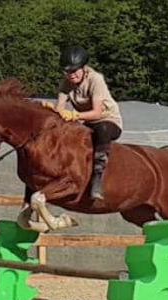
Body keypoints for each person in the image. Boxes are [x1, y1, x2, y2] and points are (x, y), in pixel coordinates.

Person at [44, 46, 123, 200]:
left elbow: (97, 112)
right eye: (67, 72)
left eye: (74, 71)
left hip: (107, 120)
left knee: (103, 128)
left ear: (84, 68)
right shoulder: (66, 83)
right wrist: (48, 109)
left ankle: (97, 179)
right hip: (87, 122)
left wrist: (74, 115)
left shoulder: (95, 79)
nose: (71, 75)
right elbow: (59, 111)